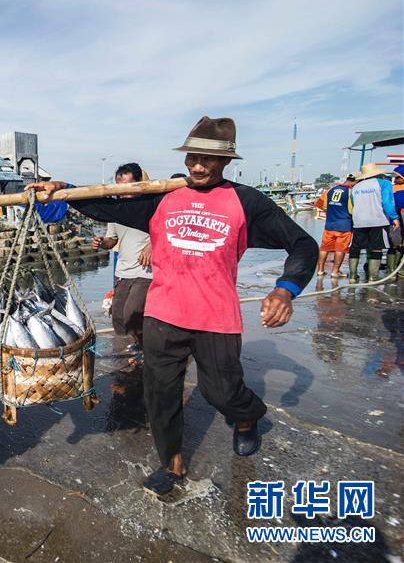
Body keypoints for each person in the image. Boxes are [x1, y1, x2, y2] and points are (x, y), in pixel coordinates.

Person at [27, 116, 318, 495]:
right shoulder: (164, 197)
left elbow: (303, 244)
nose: (197, 166)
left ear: (227, 161)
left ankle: (248, 417)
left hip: (216, 316)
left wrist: (285, 290)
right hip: (163, 314)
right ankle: (173, 463)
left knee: (221, 393)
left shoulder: (246, 202)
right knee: (161, 394)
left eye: (208, 160)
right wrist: (64, 189)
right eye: (192, 157)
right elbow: (108, 206)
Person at [91, 163, 152, 350]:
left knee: (132, 313)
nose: (122, 193)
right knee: (117, 317)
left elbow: (169, 232)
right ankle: (133, 348)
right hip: (123, 272)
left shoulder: (151, 206)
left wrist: (153, 245)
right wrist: (102, 243)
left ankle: (145, 349)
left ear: (139, 183)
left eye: (127, 187)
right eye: (119, 188)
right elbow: (112, 239)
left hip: (146, 273)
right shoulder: (116, 211)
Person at [347, 163, 400, 282]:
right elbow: (387, 203)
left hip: (359, 221)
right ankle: (372, 277)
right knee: (376, 248)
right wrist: (394, 218)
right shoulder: (384, 184)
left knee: (355, 248)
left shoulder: (356, 187)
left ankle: (352, 276)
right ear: (378, 173)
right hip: (377, 220)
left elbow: (353, 204)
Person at [314, 174, 355, 278]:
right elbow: (352, 210)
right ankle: (335, 271)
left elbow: (320, 204)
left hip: (329, 224)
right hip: (344, 226)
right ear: (354, 181)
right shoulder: (350, 192)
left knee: (324, 248)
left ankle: (320, 270)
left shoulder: (331, 190)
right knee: (340, 249)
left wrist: (331, 211)